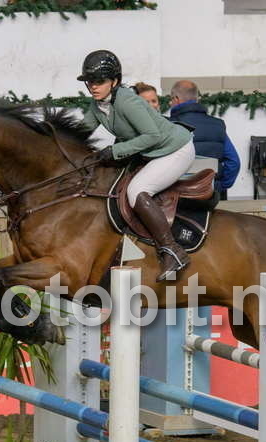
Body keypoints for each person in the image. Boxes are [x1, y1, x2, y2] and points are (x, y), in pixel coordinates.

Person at [78, 50, 195, 282]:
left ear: (115, 81)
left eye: (99, 81)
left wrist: (115, 151)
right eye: (90, 81)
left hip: (175, 150)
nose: (93, 86)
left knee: (136, 191)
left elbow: (152, 136)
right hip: (152, 152)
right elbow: (79, 133)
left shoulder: (127, 101)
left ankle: (173, 250)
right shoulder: (97, 104)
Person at [168, 80, 240, 202]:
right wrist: (220, 186)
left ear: (176, 99)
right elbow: (234, 162)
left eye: (171, 99)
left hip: (179, 195)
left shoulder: (169, 125)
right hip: (210, 194)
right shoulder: (217, 125)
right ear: (197, 99)